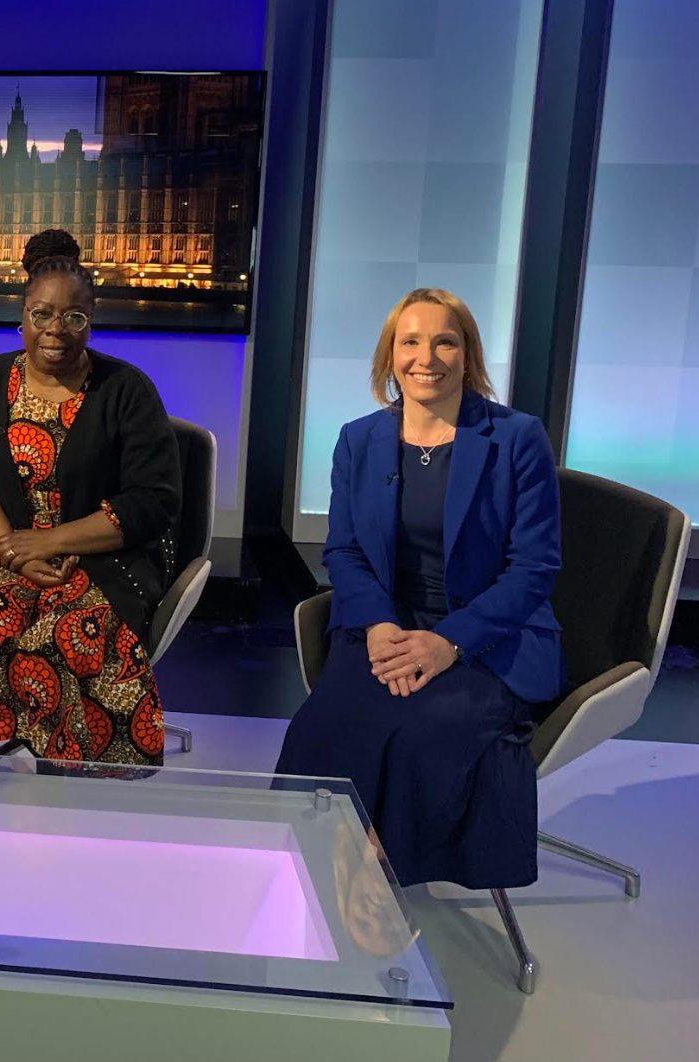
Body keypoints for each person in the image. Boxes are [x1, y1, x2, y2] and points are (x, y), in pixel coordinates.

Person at [276, 288, 564, 890]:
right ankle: (314, 877)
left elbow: (534, 568)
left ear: (468, 355)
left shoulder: (517, 437)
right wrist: (379, 624)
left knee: (418, 735)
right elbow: (345, 550)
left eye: (444, 342)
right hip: (386, 626)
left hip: (490, 637)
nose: (426, 357)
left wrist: (448, 643)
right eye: (410, 341)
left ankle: (372, 885)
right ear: (390, 355)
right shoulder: (358, 440)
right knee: (319, 731)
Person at [0, 230, 182, 766]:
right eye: (42, 314)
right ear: (22, 316)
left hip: (107, 556)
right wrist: (13, 550)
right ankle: (22, 744)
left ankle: (70, 770)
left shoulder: (127, 389)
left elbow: (152, 502)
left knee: (61, 636)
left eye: (73, 317)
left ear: (91, 320)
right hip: (7, 551)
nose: (56, 330)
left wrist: (50, 542)